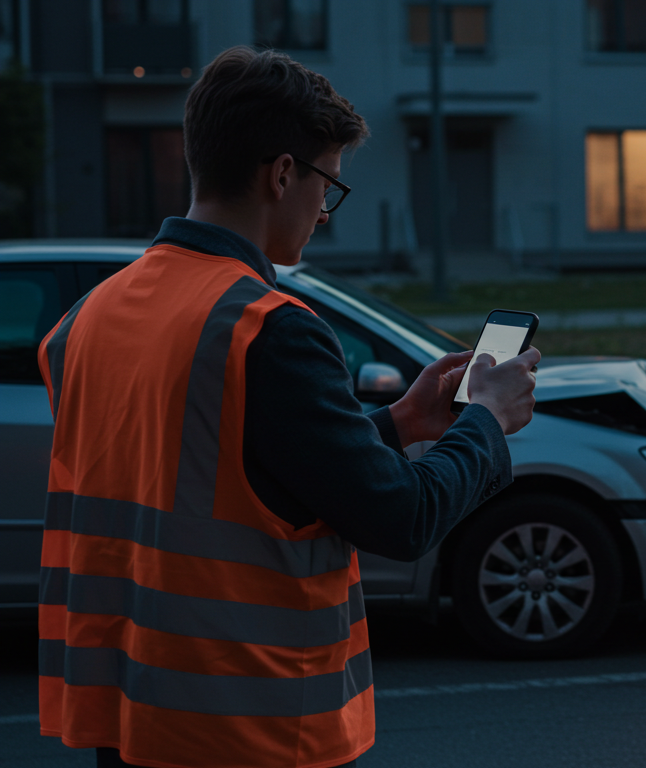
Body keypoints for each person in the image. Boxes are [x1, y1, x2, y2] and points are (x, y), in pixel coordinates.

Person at [35, 46, 540, 768]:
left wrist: (397, 425)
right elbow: (402, 517)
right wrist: (486, 420)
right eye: (328, 186)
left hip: (129, 713)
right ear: (281, 174)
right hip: (246, 724)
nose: (323, 213)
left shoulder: (86, 318)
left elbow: (223, 467)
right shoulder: (269, 325)